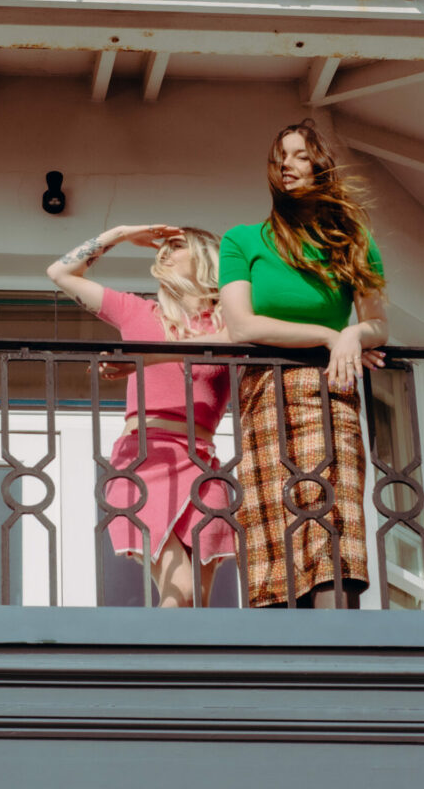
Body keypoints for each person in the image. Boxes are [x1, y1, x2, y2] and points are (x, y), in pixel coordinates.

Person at [219, 120, 388, 609]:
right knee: (273, 517)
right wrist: (330, 334)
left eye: (297, 155)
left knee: (332, 516)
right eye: (280, 157)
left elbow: (378, 325)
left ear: (320, 164)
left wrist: (355, 334)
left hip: (329, 389)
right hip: (265, 393)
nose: (285, 166)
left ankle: (337, 647)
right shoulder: (244, 240)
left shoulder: (353, 240)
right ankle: (280, 651)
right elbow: (241, 327)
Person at [47, 224, 235, 607]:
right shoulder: (137, 311)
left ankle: (182, 666)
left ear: (206, 257)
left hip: (203, 462)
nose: (164, 251)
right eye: (162, 246)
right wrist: (118, 234)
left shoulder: (230, 321)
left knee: (198, 597)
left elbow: (235, 341)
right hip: (146, 457)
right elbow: (60, 273)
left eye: (177, 245)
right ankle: (162, 665)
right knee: (179, 590)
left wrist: (146, 358)